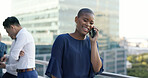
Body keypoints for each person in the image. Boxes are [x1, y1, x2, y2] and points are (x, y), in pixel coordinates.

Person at [45, 8, 104, 78]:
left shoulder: (92, 43)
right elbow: (55, 72)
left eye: (91, 23)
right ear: (76, 19)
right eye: (85, 20)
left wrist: (93, 42)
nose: (88, 24)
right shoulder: (62, 40)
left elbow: (97, 69)